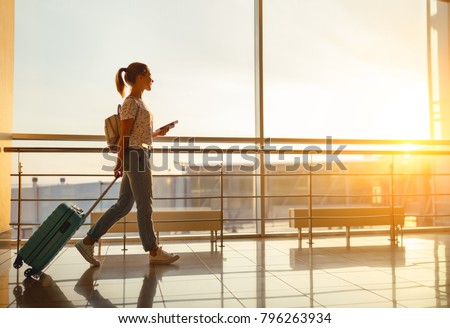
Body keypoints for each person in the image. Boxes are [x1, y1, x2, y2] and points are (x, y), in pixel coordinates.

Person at [76, 62, 179, 266]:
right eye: (149, 74)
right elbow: (124, 136)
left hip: (139, 153)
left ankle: (88, 241)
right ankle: (153, 250)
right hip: (136, 156)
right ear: (140, 77)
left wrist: (157, 132)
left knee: (123, 205)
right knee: (144, 204)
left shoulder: (139, 102)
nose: (152, 79)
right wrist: (120, 161)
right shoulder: (131, 102)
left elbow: (138, 134)